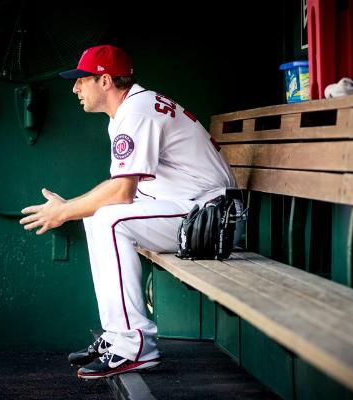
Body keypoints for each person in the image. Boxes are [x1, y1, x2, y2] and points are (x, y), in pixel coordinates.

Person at [19, 44, 236, 379]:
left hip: (210, 220)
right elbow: (120, 187)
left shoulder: (136, 112)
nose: (75, 88)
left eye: (82, 80)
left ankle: (135, 345)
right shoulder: (131, 109)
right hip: (194, 210)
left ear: (105, 81)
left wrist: (63, 212)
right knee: (96, 216)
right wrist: (70, 207)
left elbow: (121, 194)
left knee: (108, 218)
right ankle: (118, 335)